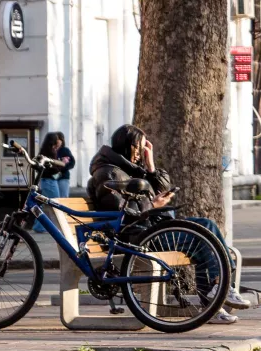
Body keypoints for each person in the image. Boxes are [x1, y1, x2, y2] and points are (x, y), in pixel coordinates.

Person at [86, 124, 249, 323]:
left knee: (207, 226)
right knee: (202, 240)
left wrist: (150, 164)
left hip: (149, 229)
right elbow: (122, 217)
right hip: (135, 238)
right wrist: (153, 204)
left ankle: (217, 292)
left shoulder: (129, 169)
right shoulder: (108, 173)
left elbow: (156, 188)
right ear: (128, 145)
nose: (140, 153)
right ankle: (214, 297)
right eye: (139, 147)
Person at [37, 132, 77, 201]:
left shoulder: (65, 150)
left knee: (63, 198)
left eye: (58, 139)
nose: (57, 142)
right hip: (52, 177)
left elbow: (72, 163)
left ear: (62, 140)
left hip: (62, 177)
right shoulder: (49, 150)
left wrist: (63, 166)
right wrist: (59, 166)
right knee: (55, 200)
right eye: (56, 140)